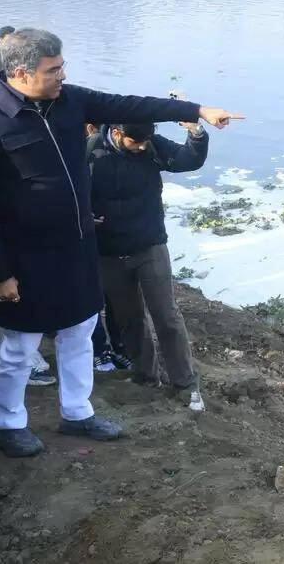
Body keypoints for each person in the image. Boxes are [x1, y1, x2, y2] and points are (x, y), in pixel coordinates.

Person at [0, 28, 239, 457]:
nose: (62, 75)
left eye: (62, 66)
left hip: (78, 245)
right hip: (25, 255)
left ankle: (77, 412)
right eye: (53, 70)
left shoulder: (70, 100)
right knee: (20, 344)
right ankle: (7, 423)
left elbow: (133, 105)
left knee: (80, 331)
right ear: (20, 73)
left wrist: (197, 109)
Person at [89, 120, 209, 411]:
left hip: (150, 245)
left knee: (167, 316)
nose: (142, 146)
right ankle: (145, 375)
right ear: (117, 133)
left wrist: (196, 133)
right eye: (136, 142)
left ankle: (185, 384)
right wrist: (82, 215)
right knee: (129, 318)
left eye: (146, 141)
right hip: (109, 251)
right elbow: (66, 186)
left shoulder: (151, 145)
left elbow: (187, 160)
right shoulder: (90, 152)